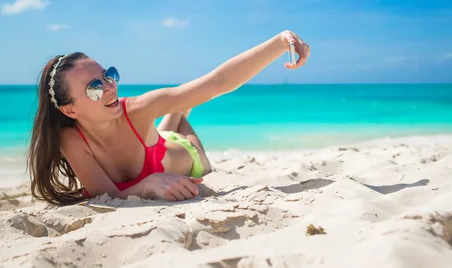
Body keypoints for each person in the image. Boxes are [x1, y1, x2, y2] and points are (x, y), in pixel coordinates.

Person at [27, 30, 310, 206]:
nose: (110, 86)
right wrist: (148, 184)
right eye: (95, 87)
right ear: (70, 110)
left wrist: (278, 42)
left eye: (108, 75)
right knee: (167, 120)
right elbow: (107, 194)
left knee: (177, 118)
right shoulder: (70, 138)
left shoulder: (136, 108)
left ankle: (179, 112)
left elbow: (216, 83)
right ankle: (177, 112)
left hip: (187, 153)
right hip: (155, 144)